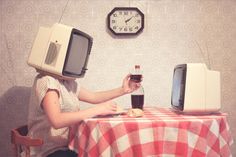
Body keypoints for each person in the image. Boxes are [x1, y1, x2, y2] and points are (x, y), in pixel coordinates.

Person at [27, 70, 141, 157]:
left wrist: (123, 90)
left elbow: (94, 97)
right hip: (47, 151)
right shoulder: (47, 80)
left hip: (69, 146)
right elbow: (56, 120)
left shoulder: (68, 83)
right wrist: (98, 110)